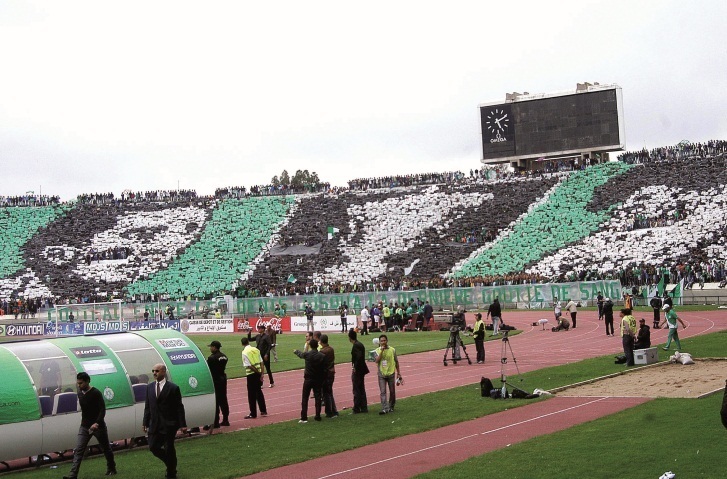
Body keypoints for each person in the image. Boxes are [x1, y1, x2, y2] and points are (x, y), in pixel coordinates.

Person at [63, 372, 117, 479]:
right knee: (79, 450)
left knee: (106, 448)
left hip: (98, 426)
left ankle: (111, 468)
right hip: (84, 426)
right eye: (78, 383)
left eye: (81, 383)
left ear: (87, 381)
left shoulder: (96, 393)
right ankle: (73, 475)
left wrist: (97, 423)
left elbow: (102, 409)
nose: (79, 385)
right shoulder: (79, 393)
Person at [143, 363, 187, 479]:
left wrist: (183, 424)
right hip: (154, 424)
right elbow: (148, 406)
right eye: (153, 371)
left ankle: (171, 472)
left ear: (163, 372)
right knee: (153, 447)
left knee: (169, 448)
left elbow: (179, 407)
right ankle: (171, 464)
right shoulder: (149, 387)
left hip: (169, 425)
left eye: (157, 371)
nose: (154, 373)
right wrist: (145, 422)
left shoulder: (173, 388)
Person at [293, 338, 326, 423]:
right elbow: (324, 368)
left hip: (308, 379)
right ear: (317, 346)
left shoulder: (307, 354)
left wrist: (296, 351)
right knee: (318, 397)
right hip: (318, 379)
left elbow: (301, 354)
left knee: (305, 398)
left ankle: (304, 417)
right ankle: (318, 415)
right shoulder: (322, 356)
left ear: (310, 346)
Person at [240, 337, 268, 418]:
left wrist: (257, 372)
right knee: (259, 392)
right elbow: (261, 362)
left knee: (251, 395)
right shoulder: (256, 349)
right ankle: (263, 411)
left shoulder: (244, 352)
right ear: (248, 342)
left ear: (242, 344)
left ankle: (253, 413)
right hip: (259, 373)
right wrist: (262, 373)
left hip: (251, 374)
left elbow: (249, 365)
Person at [374, 334, 401, 415]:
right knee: (383, 392)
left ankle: (391, 406)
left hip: (391, 373)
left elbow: (396, 361)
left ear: (387, 341)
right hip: (381, 374)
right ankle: (384, 408)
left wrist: (399, 373)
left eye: (384, 340)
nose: (383, 342)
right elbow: (377, 360)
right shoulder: (376, 351)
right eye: (381, 341)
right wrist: (382, 351)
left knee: (392, 391)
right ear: (379, 342)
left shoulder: (392, 350)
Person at [206, 340, 229, 428]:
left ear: (214, 347)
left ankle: (215, 422)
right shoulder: (224, 356)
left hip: (215, 380)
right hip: (222, 378)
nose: (210, 348)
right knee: (223, 399)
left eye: (211, 347)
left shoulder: (212, 358)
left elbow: (208, 369)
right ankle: (226, 419)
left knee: (216, 401)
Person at [348, 329, 369, 413]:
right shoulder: (359, 344)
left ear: (349, 338)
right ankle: (363, 407)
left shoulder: (356, 345)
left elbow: (358, 357)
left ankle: (357, 408)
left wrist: (355, 367)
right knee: (361, 388)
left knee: (356, 389)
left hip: (358, 370)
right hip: (361, 369)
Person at [319, 334, 338, 418]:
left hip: (326, 373)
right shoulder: (331, 349)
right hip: (331, 371)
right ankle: (334, 411)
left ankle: (329, 412)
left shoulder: (323, 352)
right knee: (330, 392)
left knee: (327, 393)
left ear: (321, 341)